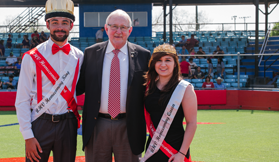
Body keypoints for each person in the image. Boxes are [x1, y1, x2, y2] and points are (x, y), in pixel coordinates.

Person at [76, 9, 151, 162]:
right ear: (106, 28)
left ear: (129, 30)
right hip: (97, 125)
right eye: (114, 26)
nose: (118, 31)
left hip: (129, 126)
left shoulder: (144, 55)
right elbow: (78, 87)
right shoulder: (90, 53)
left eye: (123, 27)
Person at [15, 0, 84, 161]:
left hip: (68, 124)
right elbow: (22, 99)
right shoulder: (31, 57)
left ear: (71, 26)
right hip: (40, 122)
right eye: (55, 22)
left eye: (64, 23)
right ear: (47, 25)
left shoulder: (80, 57)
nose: (60, 27)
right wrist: (28, 136)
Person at [142, 44, 197, 162]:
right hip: (153, 148)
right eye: (158, 60)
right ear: (153, 63)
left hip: (175, 150)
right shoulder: (148, 87)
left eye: (168, 60)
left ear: (175, 63)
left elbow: (192, 123)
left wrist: (181, 153)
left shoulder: (185, 88)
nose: (163, 64)